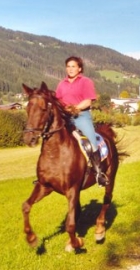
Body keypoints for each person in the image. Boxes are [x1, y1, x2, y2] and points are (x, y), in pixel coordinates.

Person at [55, 56, 109, 187]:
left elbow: (88, 101)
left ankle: (98, 173)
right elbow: (58, 101)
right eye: (68, 66)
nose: (70, 69)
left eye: (73, 66)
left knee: (92, 142)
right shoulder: (61, 84)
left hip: (81, 116)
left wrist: (75, 108)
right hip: (65, 118)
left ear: (79, 68)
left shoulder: (86, 82)